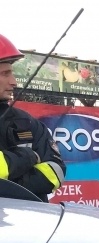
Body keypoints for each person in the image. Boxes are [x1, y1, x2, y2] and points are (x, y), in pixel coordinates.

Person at [0, 34, 66, 202]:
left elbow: (56, 170)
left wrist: (11, 188)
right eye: (5, 74)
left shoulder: (27, 122)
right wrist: (28, 156)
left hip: (32, 220)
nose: (14, 82)